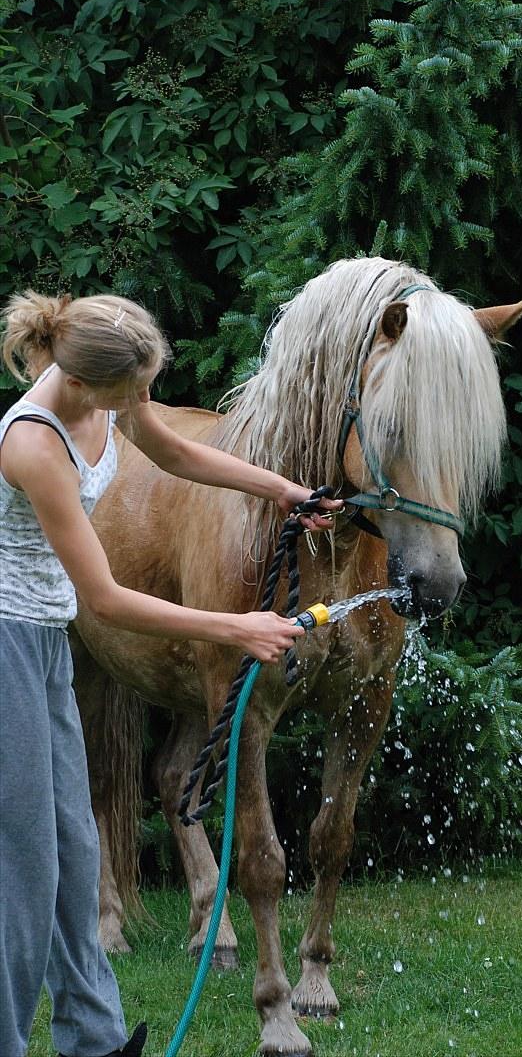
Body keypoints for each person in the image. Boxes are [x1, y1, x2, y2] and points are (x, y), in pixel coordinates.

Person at [0, 290, 342, 1057]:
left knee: (75, 856)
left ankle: (95, 1041)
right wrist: (237, 625)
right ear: (86, 385)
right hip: (5, 650)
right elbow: (107, 598)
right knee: (24, 873)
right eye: (137, 391)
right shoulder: (32, 443)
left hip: (44, 643)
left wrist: (283, 490)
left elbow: (179, 452)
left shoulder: (102, 397)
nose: (145, 404)